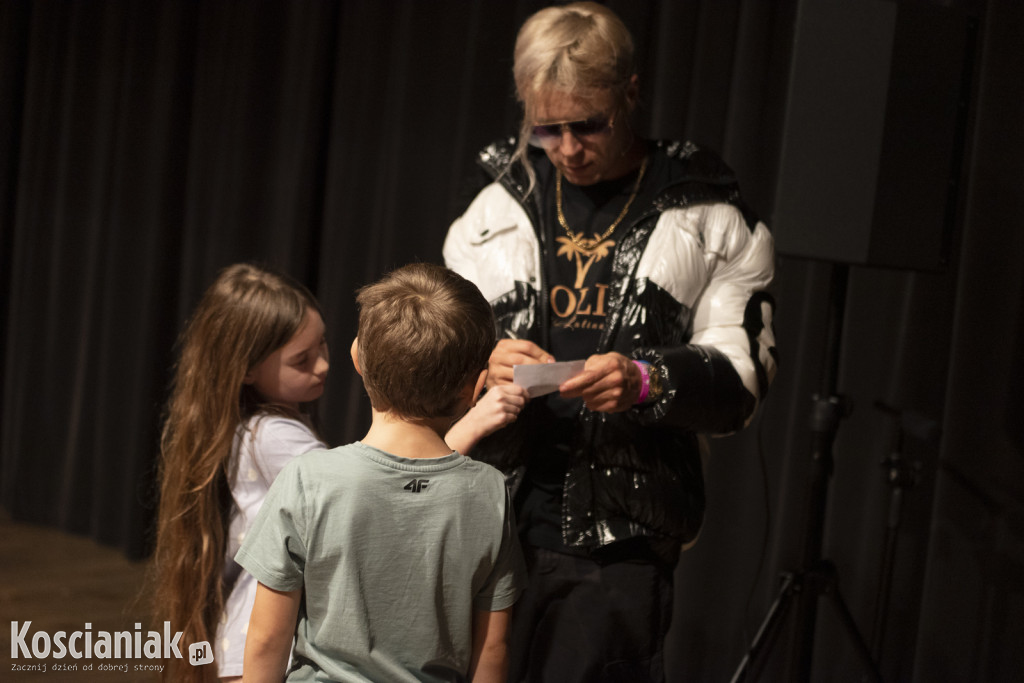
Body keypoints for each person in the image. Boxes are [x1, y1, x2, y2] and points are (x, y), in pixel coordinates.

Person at [442, 3, 777, 682]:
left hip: (620, 537)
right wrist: (480, 368)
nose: (567, 148)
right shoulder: (493, 210)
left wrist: (647, 380)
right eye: (547, 128)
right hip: (493, 518)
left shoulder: (706, 208)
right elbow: (434, 368)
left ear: (631, 92)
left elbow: (743, 379)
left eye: (587, 125)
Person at [152, 263, 523, 683]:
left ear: (356, 357)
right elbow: (494, 647)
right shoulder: (492, 492)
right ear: (475, 386)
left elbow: (266, 640)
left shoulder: (307, 479)